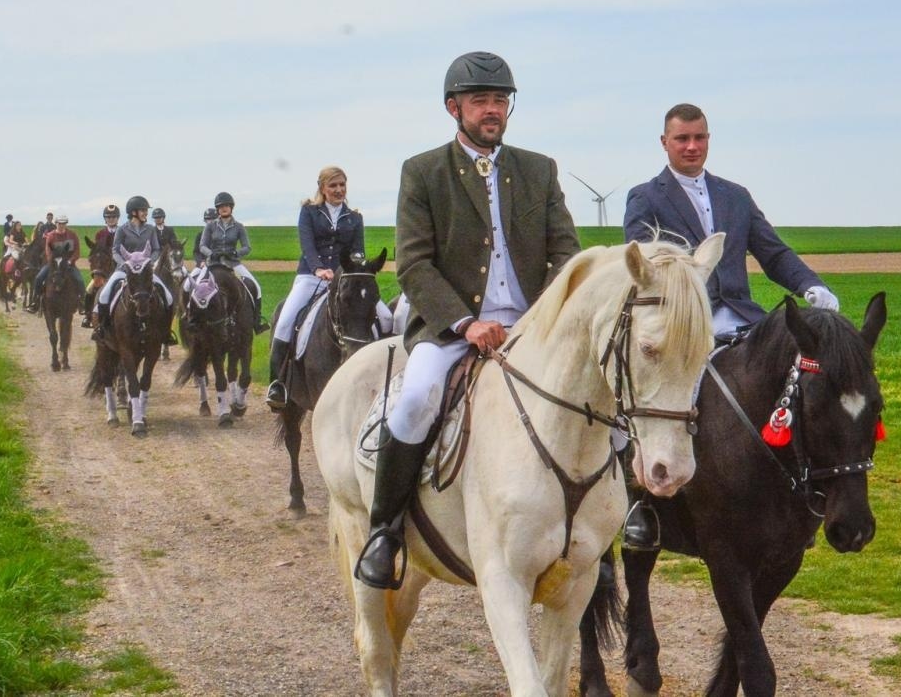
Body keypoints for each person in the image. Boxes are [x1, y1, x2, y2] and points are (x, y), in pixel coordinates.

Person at [355, 51, 581, 589]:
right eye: (481, 100)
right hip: (453, 330)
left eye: (500, 100)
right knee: (415, 399)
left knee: (603, 399)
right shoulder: (424, 172)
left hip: (532, 326)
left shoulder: (538, 169)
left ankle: (611, 521)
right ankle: (385, 531)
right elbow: (413, 262)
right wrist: (464, 323)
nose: (493, 110)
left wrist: (542, 318)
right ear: (453, 107)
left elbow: (566, 253)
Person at [618, 100, 838, 551]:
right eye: (682, 139)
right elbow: (648, 259)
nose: (692, 146)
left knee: (802, 383)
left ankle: (800, 494)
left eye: (700, 137)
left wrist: (811, 287)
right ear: (665, 143)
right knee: (665, 400)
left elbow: (773, 252)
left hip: (744, 322)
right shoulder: (645, 197)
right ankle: (643, 505)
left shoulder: (735, 196)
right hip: (685, 328)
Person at [265, 166, 366, 410]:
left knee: (383, 317)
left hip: (343, 280)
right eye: (333, 185)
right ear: (322, 188)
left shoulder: (355, 217)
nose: (339, 190)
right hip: (311, 278)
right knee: (286, 321)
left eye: (342, 185)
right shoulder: (309, 212)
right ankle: (277, 384)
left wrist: (353, 270)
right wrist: (318, 268)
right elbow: (307, 244)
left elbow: (358, 250)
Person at [91, 196, 171, 340]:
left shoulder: (151, 229)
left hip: (145, 272)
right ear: (134, 212)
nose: (146, 213)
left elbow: (156, 249)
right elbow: (115, 250)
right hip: (124, 270)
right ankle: (101, 329)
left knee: (168, 297)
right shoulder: (122, 230)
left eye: (146, 210)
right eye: (143, 210)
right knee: (103, 295)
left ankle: (166, 332)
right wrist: (124, 263)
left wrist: (149, 262)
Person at [197, 192, 268, 334]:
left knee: (256, 286)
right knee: (196, 287)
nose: (224, 208)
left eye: (226, 206)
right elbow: (202, 246)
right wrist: (211, 253)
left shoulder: (239, 227)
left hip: (232, 263)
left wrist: (236, 253)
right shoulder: (210, 226)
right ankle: (193, 319)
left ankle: (256, 321)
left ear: (231, 208)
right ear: (217, 209)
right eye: (221, 206)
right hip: (213, 264)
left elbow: (247, 247)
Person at [34, 214, 86, 303]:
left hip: (69, 265)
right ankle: (36, 301)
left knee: (80, 280)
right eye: (59, 223)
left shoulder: (72, 235)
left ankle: (82, 302)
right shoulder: (51, 236)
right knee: (38, 278)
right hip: (53, 265)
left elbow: (77, 252)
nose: (61, 225)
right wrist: (53, 262)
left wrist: (70, 261)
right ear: (56, 223)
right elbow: (48, 252)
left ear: (66, 224)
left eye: (64, 223)